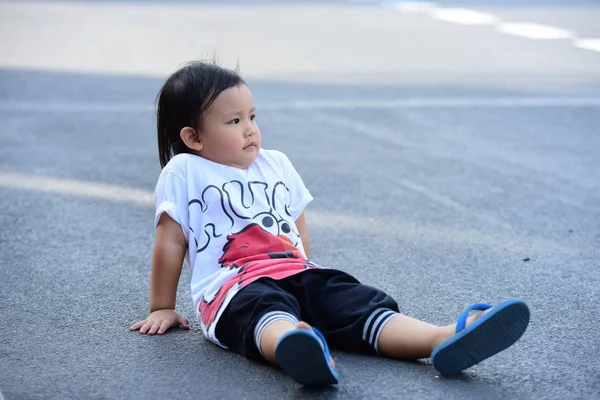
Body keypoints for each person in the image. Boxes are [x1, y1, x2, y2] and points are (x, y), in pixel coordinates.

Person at [129, 61, 530, 387]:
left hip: (298, 271)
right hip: (234, 287)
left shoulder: (276, 162)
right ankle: (293, 343)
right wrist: (162, 306)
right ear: (193, 137)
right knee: (264, 311)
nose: (250, 128)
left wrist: (310, 282)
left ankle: (441, 337)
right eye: (233, 122)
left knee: (355, 302)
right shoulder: (185, 171)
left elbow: (297, 223)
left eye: (252, 116)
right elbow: (170, 243)